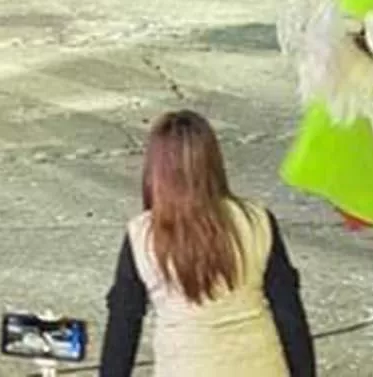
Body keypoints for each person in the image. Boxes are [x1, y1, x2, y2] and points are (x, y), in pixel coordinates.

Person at [99, 110, 315, 377]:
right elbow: (289, 314)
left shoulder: (142, 235)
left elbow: (123, 327)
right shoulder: (257, 221)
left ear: (156, 169)